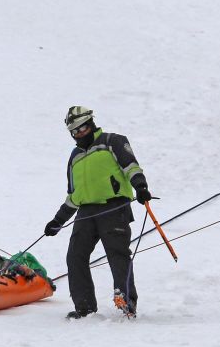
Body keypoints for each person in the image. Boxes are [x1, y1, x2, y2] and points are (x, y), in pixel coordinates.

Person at [43, 106, 152, 319]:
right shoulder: (75, 157)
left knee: (117, 252)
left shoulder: (112, 141)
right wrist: (58, 221)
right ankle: (84, 307)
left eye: (82, 128)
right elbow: (74, 195)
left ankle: (126, 301)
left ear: (91, 123)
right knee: (75, 256)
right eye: (74, 131)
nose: (79, 134)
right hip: (86, 212)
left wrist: (140, 187)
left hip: (114, 207)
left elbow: (131, 167)